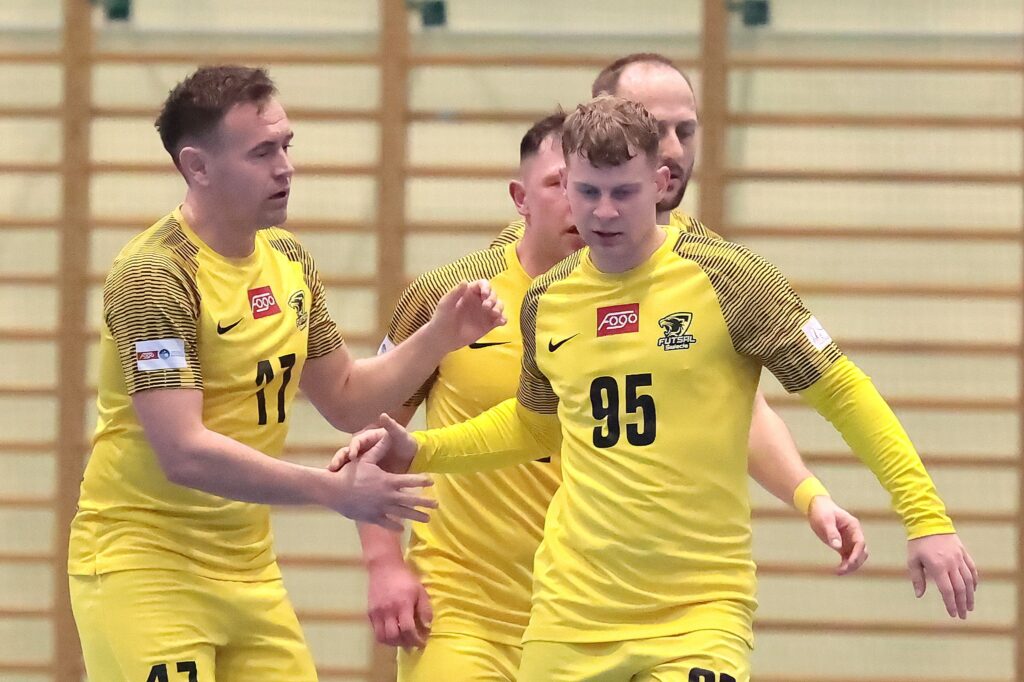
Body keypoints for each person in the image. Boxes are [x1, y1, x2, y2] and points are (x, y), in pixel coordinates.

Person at [340, 95, 977, 682]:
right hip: (571, 614)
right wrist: (422, 450)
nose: (603, 212)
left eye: (623, 192)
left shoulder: (729, 280)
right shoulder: (548, 301)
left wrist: (926, 519)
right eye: (586, 191)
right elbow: (534, 426)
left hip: (697, 613)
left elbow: (844, 393)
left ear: (661, 184)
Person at [495, 51, 979, 617]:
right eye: (655, 127)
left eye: (685, 131)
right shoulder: (496, 283)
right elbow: (517, 423)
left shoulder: (716, 274)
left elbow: (743, 408)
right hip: (503, 591)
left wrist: (810, 493)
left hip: (656, 591)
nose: (673, 148)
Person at [66, 65, 505, 682]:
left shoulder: (288, 260)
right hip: (146, 566)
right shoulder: (156, 276)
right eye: (262, 152)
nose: (285, 167)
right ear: (197, 167)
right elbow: (183, 452)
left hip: (247, 570)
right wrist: (331, 490)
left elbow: (349, 400)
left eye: (286, 145)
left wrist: (439, 336)